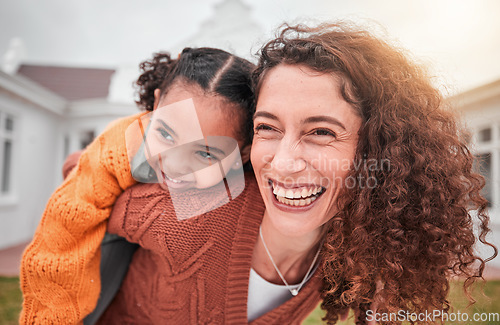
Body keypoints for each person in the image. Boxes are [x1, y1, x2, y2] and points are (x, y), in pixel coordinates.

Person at [95, 22, 497, 325]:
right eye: (267, 127)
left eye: (321, 132)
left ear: (379, 149)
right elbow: (91, 184)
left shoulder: (350, 245)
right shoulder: (198, 209)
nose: (284, 163)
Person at [20, 47, 255, 324]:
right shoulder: (121, 147)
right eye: (166, 134)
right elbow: (64, 231)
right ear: (156, 105)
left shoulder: (255, 173)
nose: (175, 165)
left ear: (243, 153)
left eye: (205, 153)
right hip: (100, 242)